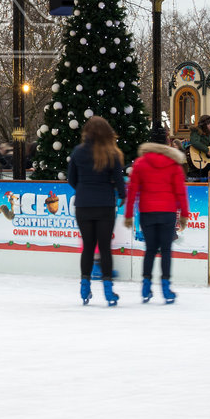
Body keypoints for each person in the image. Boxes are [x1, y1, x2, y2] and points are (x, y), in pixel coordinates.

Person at [67, 115, 126, 307]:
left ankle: (85, 286)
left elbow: (71, 179)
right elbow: (119, 182)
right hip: (105, 205)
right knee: (105, 249)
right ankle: (108, 291)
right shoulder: (112, 153)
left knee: (89, 247)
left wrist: (84, 189)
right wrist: (119, 195)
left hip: (83, 205)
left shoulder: (78, 152)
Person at [123, 127, 187, 304]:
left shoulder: (140, 163)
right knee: (166, 250)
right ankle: (166, 288)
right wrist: (184, 215)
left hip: (147, 213)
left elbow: (133, 190)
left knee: (150, 249)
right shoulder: (173, 164)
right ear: (167, 143)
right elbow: (180, 192)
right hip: (167, 213)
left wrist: (128, 215)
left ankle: (145, 285)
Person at [184, 116, 210, 180]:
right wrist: (207, 150)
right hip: (197, 160)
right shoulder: (196, 131)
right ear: (205, 124)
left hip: (206, 162)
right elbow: (195, 142)